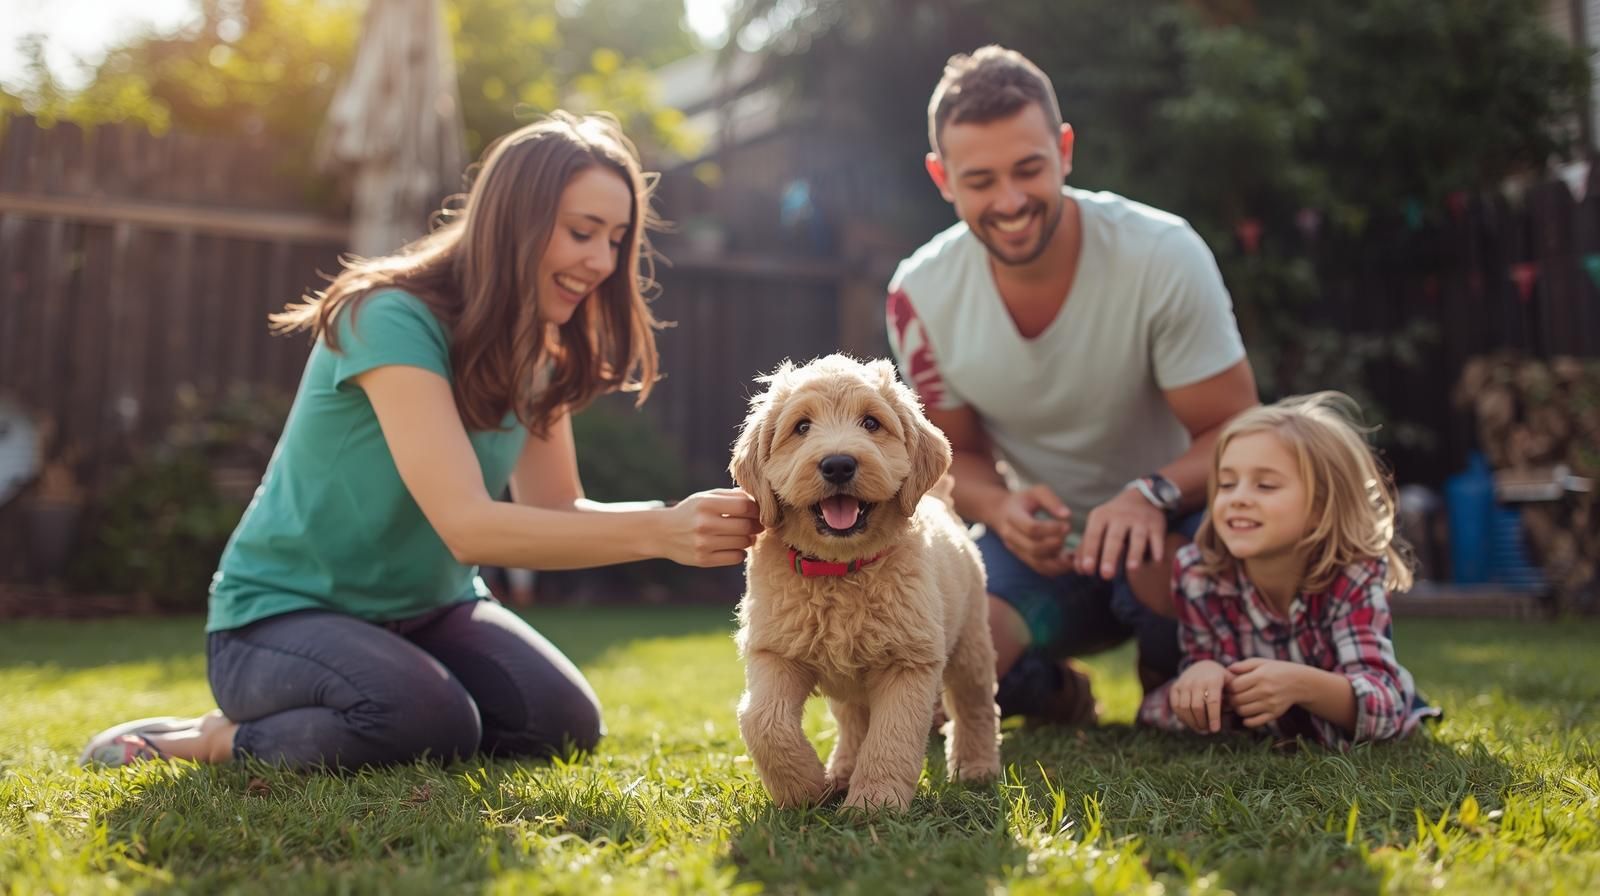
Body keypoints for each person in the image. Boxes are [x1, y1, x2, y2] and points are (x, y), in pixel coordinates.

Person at [80, 112, 763, 769]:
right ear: (514, 223)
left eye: (616, 240)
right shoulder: (388, 318)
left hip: (432, 610)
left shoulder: (539, 353)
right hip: (278, 621)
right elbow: (467, 525)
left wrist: (682, 518)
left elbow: (556, 508)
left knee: (560, 723)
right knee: (426, 721)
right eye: (583, 232)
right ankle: (206, 740)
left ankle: (388, 695)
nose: (603, 262)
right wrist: (656, 532)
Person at [885, 46, 1259, 724]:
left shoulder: (1162, 252)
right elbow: (951, 456)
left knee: (1183, 652)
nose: (1009, 201)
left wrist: (1150, 494)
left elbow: (1240, 433)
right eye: (980, 180)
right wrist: (1000, 509)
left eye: (1029, 169)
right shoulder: (919, 292)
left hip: (1171, 531)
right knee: (941, 681)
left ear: (1064, 150)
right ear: (942, 177)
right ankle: (1056, 692)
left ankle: (1168, 666)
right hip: (1044, 556)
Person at [1136, 393, 1440, 747]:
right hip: (1247, 715)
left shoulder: (1353, 575)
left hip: (1334, 708)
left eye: (1265, 485)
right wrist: (1201, 672)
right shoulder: (1198, 574)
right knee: (1160, 708)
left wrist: (1301, 685)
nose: (1238, 498)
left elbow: (1385, 706)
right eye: (1227, 483)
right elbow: (1203, 658)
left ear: (1322, 506)